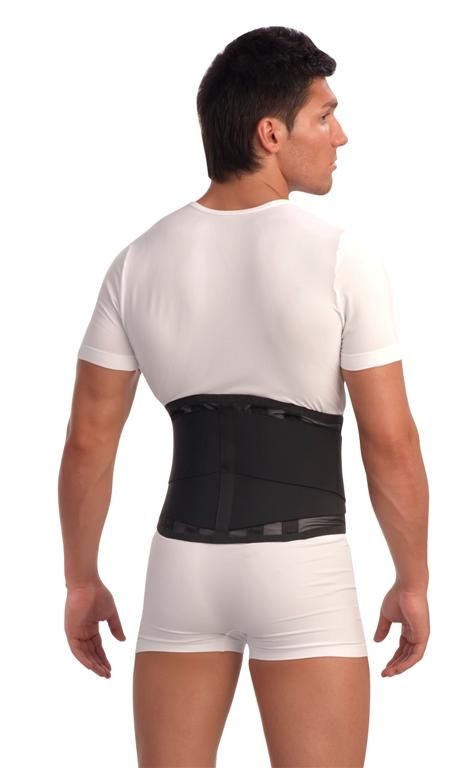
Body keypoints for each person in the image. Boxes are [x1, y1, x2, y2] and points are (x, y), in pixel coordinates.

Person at [58, 25, 430, 768]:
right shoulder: (339, 256)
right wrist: (413, 579)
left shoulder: (137, 262)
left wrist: (80, 579)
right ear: (271, 134)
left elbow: (88, 441)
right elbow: (390, 442)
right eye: (325, 116)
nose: (341, 136)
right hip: (304, 568)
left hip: (183, 567)